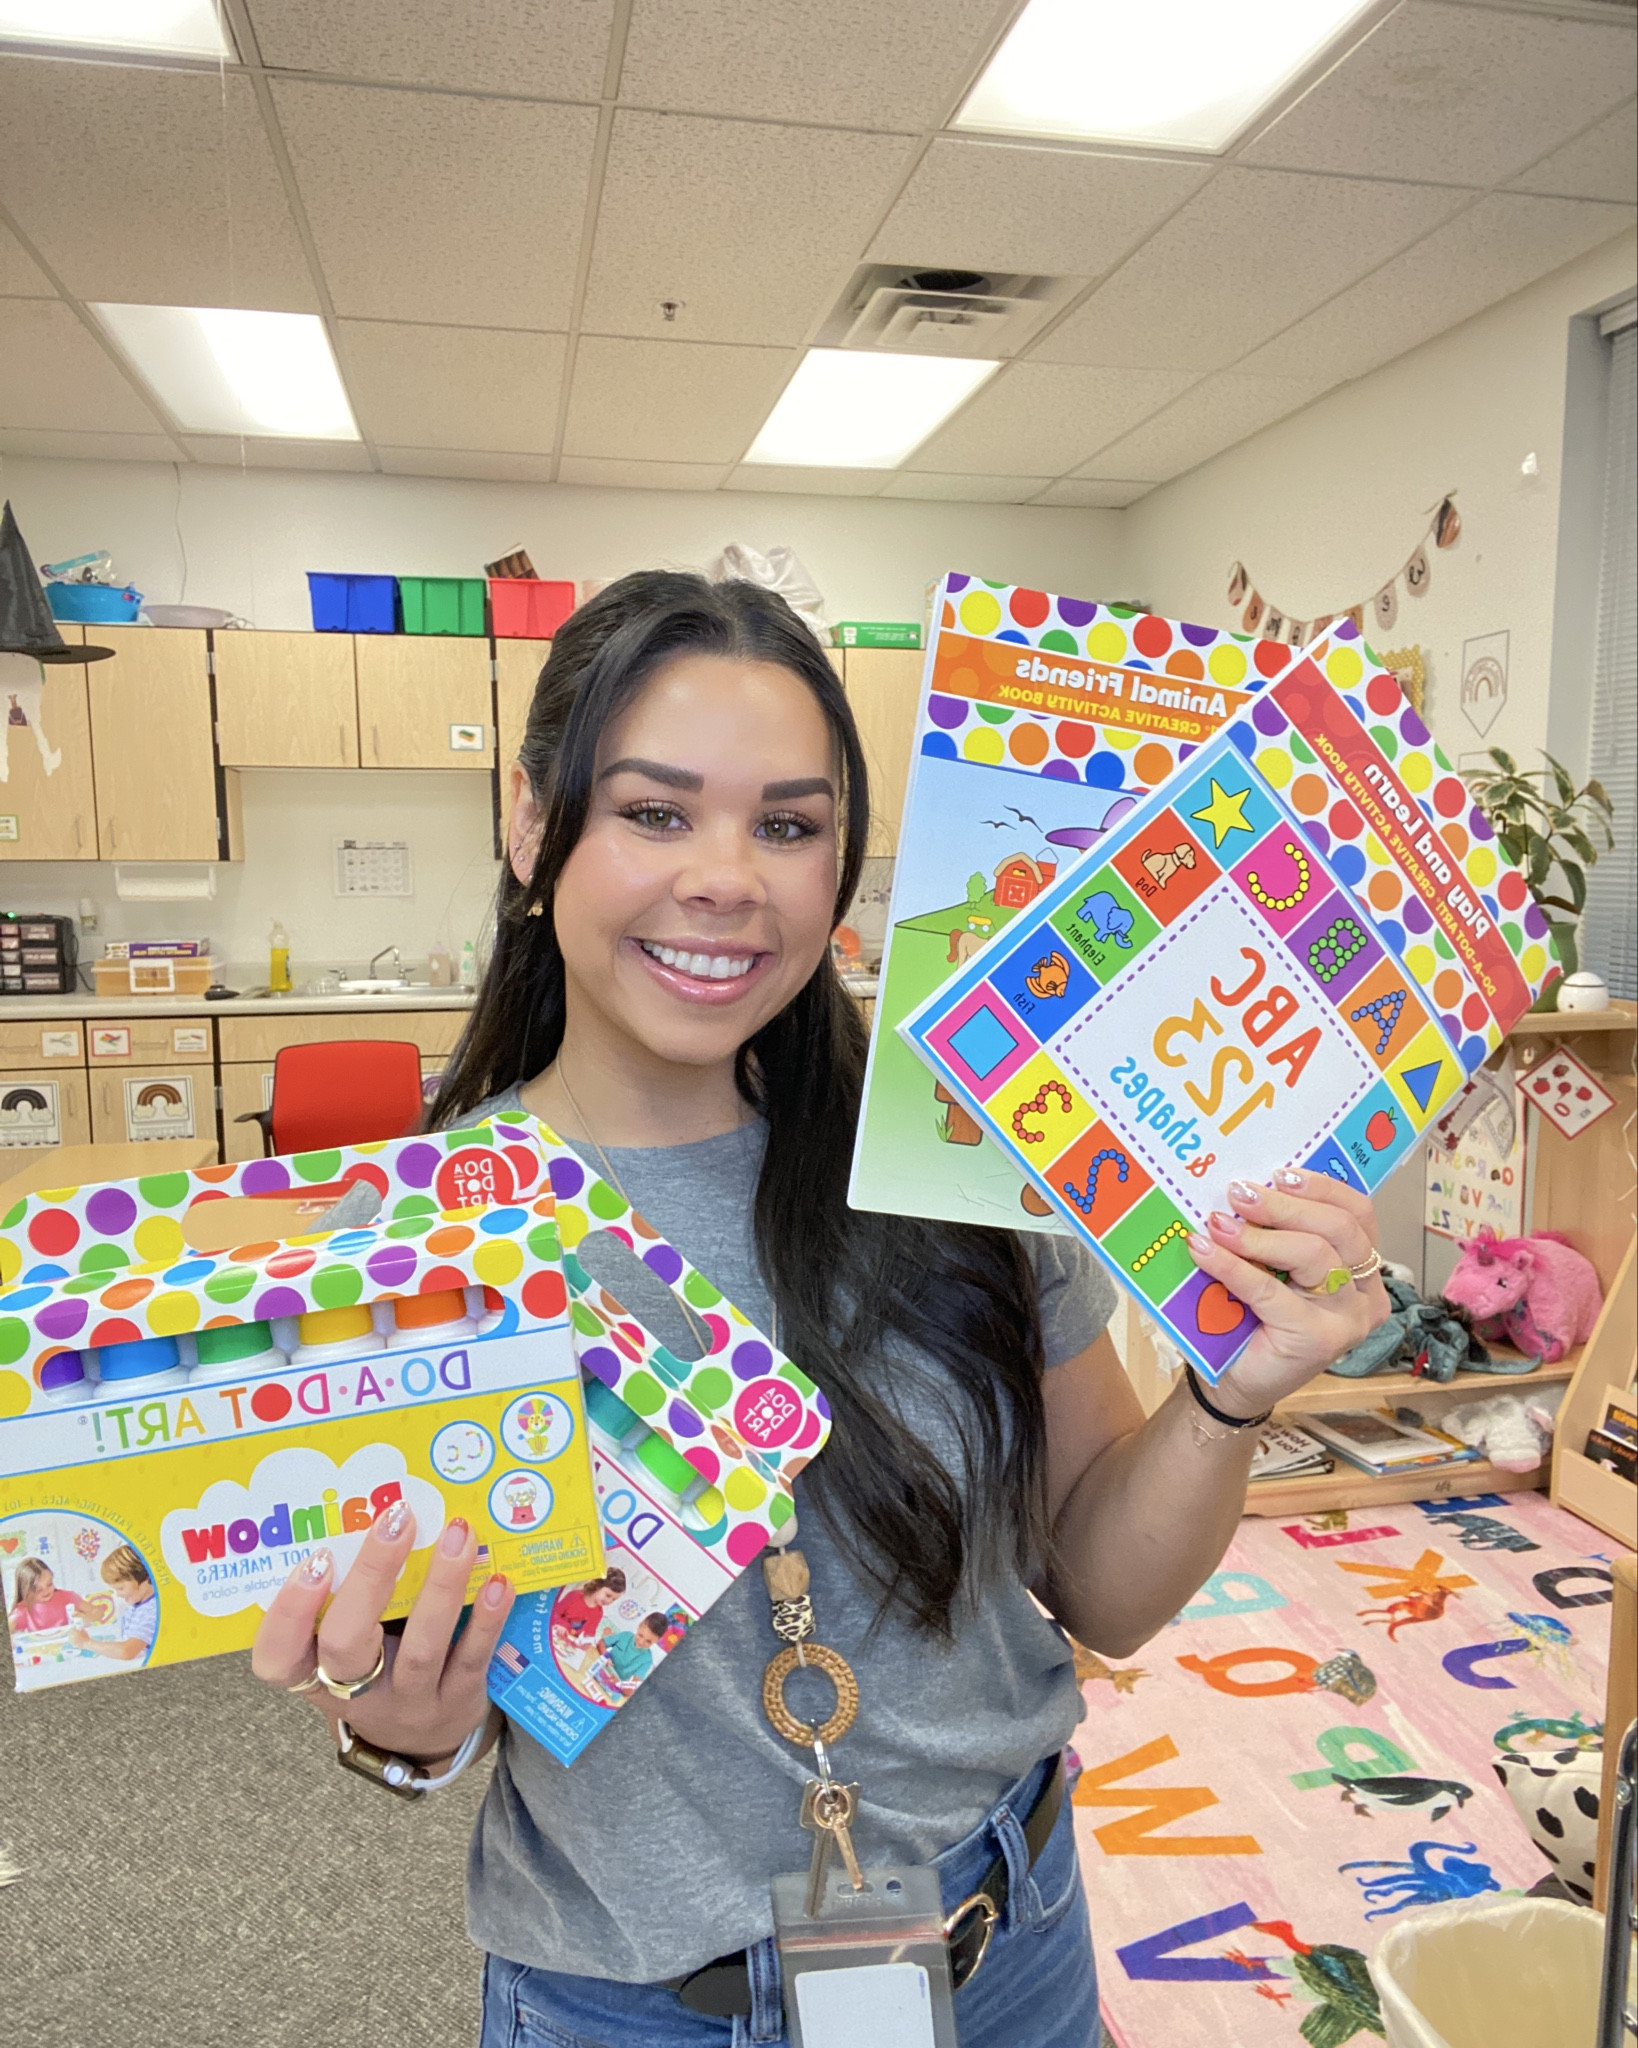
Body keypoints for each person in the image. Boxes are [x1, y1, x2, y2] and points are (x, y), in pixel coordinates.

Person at [254, 572, 1389, 2046]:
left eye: (787, 826)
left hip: (1009, 1942)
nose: (728, 876)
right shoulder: (419, 1241)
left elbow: (1102, 1593)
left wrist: (1229, 1391)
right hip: (642, 2007)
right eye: (655, 811)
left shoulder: (963, 1157)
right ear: (533, 825)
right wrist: (396, 1723)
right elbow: (441, 1705)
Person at [69, 1546, 157, 1665]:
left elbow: (127, 1651)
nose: (118, 1594)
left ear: (145, 1580)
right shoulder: (137, 1604)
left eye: (121, 1588)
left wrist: (86, 1643)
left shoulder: (152, 1610)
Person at [6, 1557, 84, 1633]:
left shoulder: (67, 1597)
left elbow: (91, 1612)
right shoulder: (24, 1609)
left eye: (49, 1584)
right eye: (38, 1590)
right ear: (26, 1591)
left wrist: (84, 1617)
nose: (46, 1591)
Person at [553, 1569, 628, 1641]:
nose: (609, 1601)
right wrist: (562, 1625)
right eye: (608, 1595)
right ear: (598, 1586)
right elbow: (554, 1613)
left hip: (569, 1643)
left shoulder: (599, 1613)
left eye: (613, 1599)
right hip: (555, 1635)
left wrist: (593, 1640)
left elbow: (589, 1634)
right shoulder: (574, 1596)